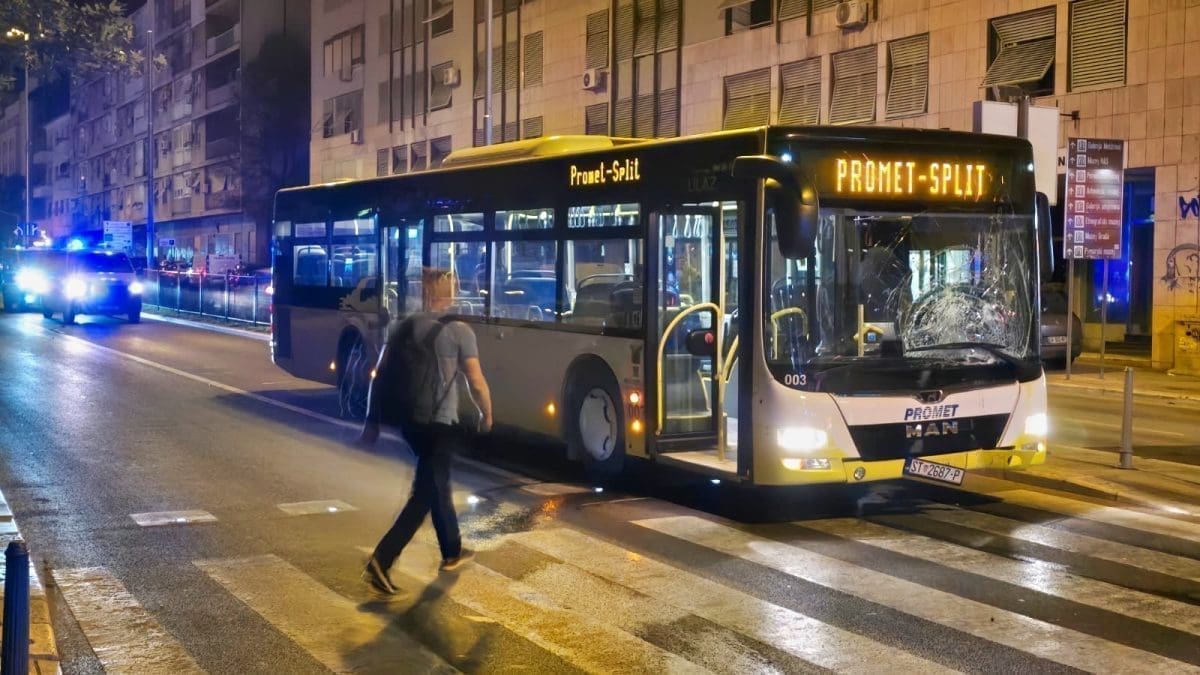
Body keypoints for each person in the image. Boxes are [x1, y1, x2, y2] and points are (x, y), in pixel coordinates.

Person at [359, 268, 493, 595]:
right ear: (448, 294)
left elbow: (379, 375)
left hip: (409, 423)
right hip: (439, 424)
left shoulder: (403, 326)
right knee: (424, 494)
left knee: (436, 483)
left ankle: (451, 550)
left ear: (424, 293)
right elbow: (475, 380)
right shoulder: (459, 331)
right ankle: (383, 558)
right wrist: (486, 413)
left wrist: (371, 422)